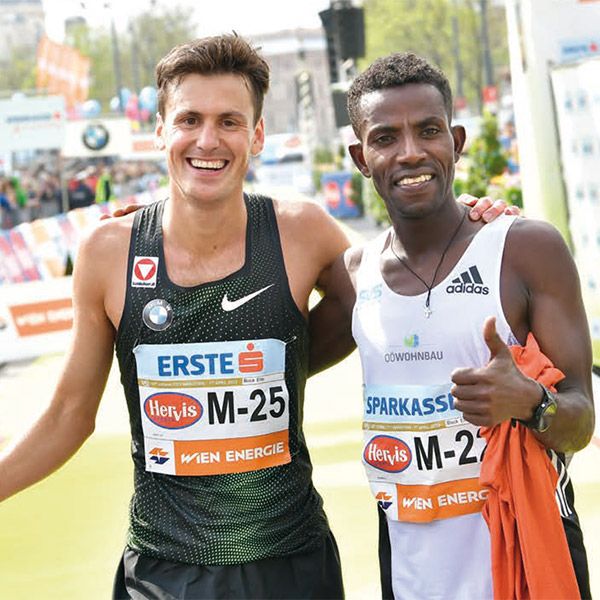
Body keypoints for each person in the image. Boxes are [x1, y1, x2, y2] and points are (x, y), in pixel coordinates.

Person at [0, 35, 509, 599]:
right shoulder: (107, 251)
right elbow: (70, 412)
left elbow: (399, 292)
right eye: (189, 119)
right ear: (160, 132)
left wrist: (477, 224)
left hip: (292, 566)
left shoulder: (302, 231)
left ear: (258, 135)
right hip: (164, 572)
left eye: (229, 121)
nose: (207, 140)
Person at [310, 52, 594, 599]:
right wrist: (154, 228)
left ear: (457, 141)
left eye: (429, 131)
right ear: (361, 157)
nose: (411, 152)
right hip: (412, 572)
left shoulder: (524, 249)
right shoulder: (356, 274)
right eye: (386, 137)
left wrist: (532, 402)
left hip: (528, 562)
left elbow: (581, 422)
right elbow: (270, 359)